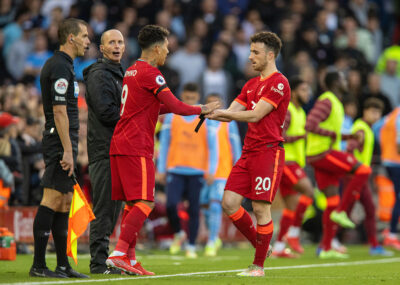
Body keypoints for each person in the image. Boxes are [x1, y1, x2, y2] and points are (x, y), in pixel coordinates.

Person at [105, 25, 219, 276]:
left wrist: (194, 108)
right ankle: (118, 253)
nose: (168, 51)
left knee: (132, 204)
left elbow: (154, 108)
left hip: (121, 144)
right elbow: (177, 106)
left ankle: (131, 259)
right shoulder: (151, 73)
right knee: (145, 202)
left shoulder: (132, 71)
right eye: (166, 47)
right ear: (157, 48)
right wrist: (202, 108)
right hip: (136, 146)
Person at [206, 31, 290, 277]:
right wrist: (208, 111)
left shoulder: (278, 82)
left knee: (260, 209)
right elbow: (233, 110)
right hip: (249, 152)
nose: (250, 56)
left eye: (255, 52)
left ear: (270, 55)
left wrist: (222, 114)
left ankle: (258, 266)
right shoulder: (250, 84)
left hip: (268, 152)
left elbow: (254, 115)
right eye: (250, 51)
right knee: (229, 203)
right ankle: (262, 247)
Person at [30, 18, 90, 278]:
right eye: (85, 36)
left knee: (65, 202)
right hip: (59, 140)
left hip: (65, 140)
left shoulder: (65, 66)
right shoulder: (59, 67)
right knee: (52, 198)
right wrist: (67, 150)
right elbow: (58, 111)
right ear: (71, 38)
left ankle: (62, 264)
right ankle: (39, 266)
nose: (88, 41)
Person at [305, 71, 371, 259]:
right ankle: (343, 211)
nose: (346, 81)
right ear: (336, 83)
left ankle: (325, 248)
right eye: (343, 79)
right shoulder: (327, 101)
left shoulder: (334, 102)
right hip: (322, 153)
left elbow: (327, 129)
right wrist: (335, 136)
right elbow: (310, 125)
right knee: (364, 170)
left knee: (331, 202)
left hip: (323, 153)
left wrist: (347, 136)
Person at [157, 85, 218, 259]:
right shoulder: (172, 117)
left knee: (194, 209)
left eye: (193, 98)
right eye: (187, 98)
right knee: (170, 205)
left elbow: (213, 147)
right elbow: (165, 144)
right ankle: (178, 233)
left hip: (197, 170)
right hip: (175, 169)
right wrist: (161, 169)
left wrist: (211, 170)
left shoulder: (205, 118)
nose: (190, 101)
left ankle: (191, 245)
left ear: (197, 97)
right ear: (182, 96)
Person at [83, 29, 125, 274]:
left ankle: (106, 258)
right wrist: (134, 118)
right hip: (104, 149)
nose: (117, 46)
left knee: (113, 209)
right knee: (104, 209)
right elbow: (107, 112)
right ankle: (98, 263)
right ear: (102, 48)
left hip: (117, 149)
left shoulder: (119, 73)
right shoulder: (100, 75)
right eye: (112, 42)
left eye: (120, 42)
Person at [342, 98, 393, 256]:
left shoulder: (366, 128)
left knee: (366, 210)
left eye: (378, 112)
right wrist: (352, 168)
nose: (376, 115)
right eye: (373, 111)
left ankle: (374, 245)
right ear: (365, 111)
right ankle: (328, 243)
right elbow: (350, 148)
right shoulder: (361, 129)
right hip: (354, 177)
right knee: (344, 211)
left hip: (360, 177)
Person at [272, 77, 314, 258]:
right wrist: (300, 137)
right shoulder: (288, 111)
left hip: (294, 162)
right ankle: (294, 234)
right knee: (309, 192)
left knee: (291, 207)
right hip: (286, 162)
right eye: (304, 90)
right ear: (295, 92)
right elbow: (279, 136)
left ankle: (280, 246)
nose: (308, 94)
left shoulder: (301, 111)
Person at [200, 93, 242, 257]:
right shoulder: (200, 123)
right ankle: (213, 235)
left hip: (222, 171)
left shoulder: (228, 124)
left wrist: (238, 169)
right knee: (203, 205)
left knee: (216, 204)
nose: (213, 107)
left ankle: (212, 240)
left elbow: (236, 147)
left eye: (216, 104)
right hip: (202, 172)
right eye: (209, 104)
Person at [375, 106, 400, 250]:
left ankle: (390, 233)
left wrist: (384, 147)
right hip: (396, 162)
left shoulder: (393, 114)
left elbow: (377, 128)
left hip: (388, 160)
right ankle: (391, 234)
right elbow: (399, 145)